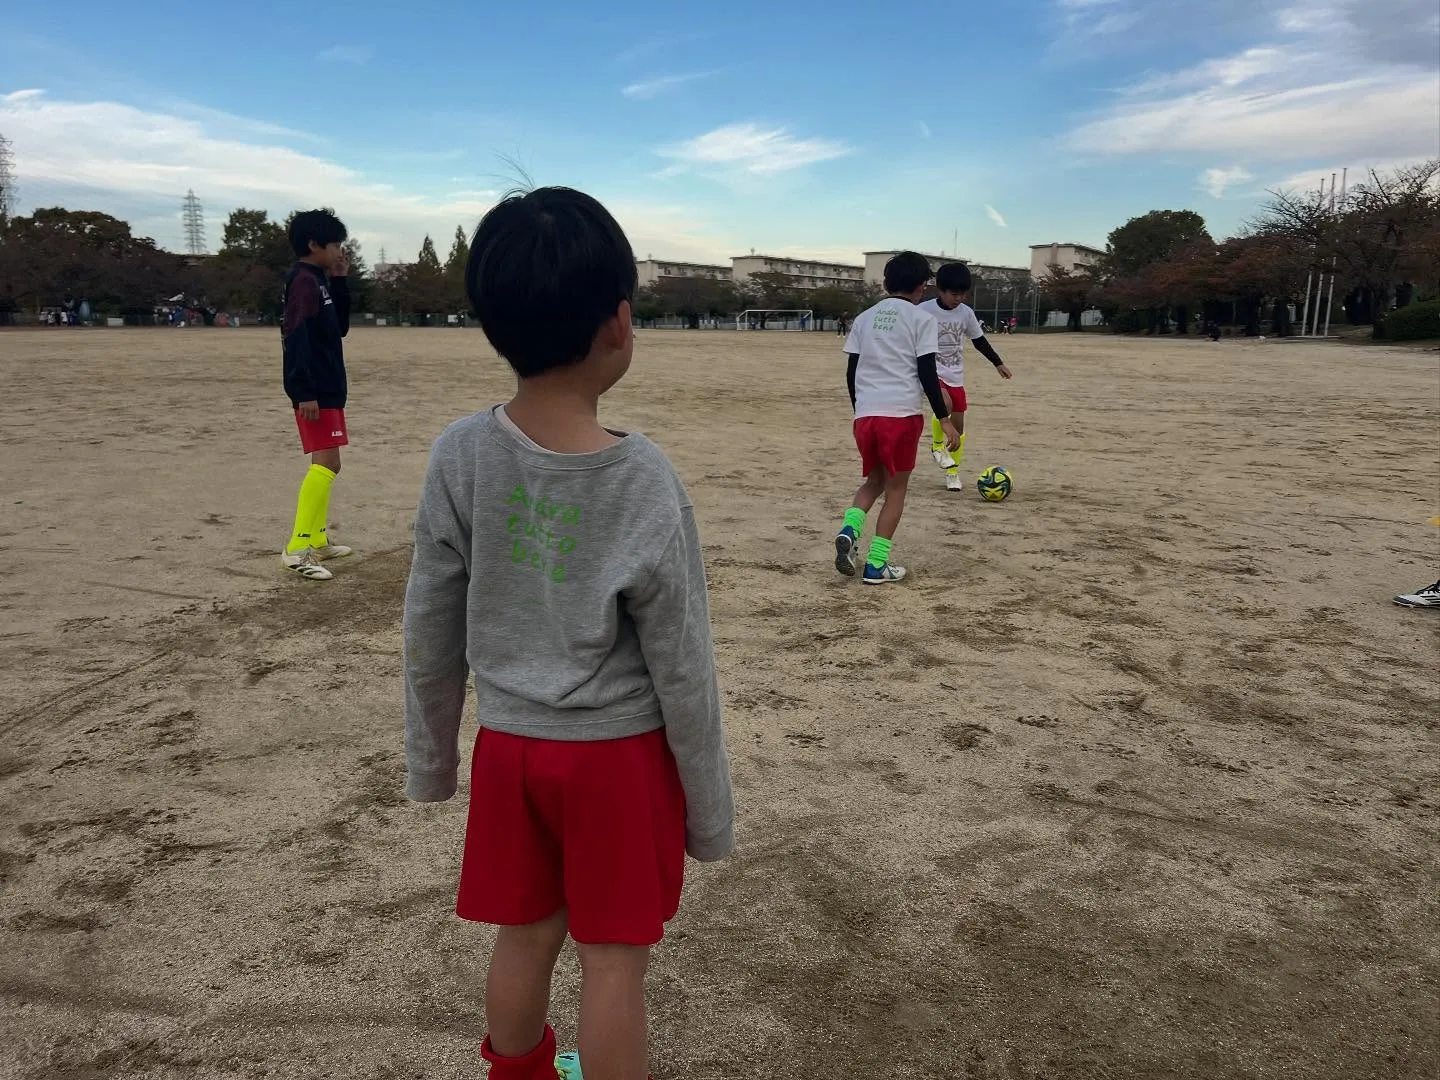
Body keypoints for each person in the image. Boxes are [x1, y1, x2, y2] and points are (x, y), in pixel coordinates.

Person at [403, 186, 735, 1080]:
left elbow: (429, 626)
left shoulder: (460, 453)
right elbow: (684, 665)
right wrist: (709, 811)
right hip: (617, 760)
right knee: (614, 960)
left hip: (512, 751)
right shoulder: (643, 477)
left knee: (524, 933)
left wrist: (432, 760)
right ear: (620, 322)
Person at [833, 251, 960, 584]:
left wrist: (860, 409)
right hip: (901, 416)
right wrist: (944, 419)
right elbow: (927, 373)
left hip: (866, 415)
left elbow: (851, 372)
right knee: (896, 488)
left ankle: (850, 529)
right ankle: (876, 565)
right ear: (922, 286)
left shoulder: (864, 318)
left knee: (873, 482)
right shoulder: (922, 320)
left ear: (886, 283)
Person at [279, 209, 352, 580]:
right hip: (316, 391)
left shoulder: (319, 281)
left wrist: (339, 279)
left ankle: (318, 538)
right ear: (313, 244)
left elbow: (340, 327)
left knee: (329, 464)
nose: (340, 250)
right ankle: (297, 547)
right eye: (335, 244)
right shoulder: (302, 282)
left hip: (329, 388)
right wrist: (303, 390)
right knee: (325, 464)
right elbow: (294, 336)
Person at [916, 263, 1013, 491]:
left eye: (962, 294)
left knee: (958, 429)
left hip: (955, 374)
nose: (958, 298)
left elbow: (978, 340)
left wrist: (997, 362)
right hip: (932, 370)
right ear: (941, 290)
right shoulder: (923, 310)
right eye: (954, 294)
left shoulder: (966, 313)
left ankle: (952, 472)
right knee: (945, 403)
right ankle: (937, 446)